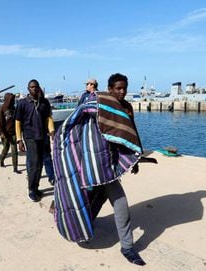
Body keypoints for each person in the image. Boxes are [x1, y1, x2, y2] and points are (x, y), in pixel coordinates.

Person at [53, 73, 146, 266]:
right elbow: (79, 122)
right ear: (110, 88)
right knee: (88, 198)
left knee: (111, 200)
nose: (122, 92)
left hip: (111, 162)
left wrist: (135, 157)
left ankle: (126, 246)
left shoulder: (127, 108)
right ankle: (80, 226)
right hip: (93, 162)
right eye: (118, 88)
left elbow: (130, 132)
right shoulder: (98, 102)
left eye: (124, 88)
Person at [15, 79, 54, 202]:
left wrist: (52, 130)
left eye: (36, 87)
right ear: (28, 89)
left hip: (42, 136)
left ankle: (36, 188)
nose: (34, 89)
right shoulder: (22, 103)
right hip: (29, 137)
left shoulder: (44, 103)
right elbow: (18, 122)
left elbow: (48, 118)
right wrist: (19, 140)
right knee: (34, 163)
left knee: (40, 164)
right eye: (32, 87)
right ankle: (31, 190)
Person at [0, 93, 21, 174]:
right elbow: (0, 122)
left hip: (13, 133)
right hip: (5, 133)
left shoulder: (14, 108)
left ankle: (15, 167)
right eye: (11, 99)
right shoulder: (2, 108)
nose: (12, 101)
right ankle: (1, 160)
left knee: (14, 151)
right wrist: (1, 132)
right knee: (5, 149)